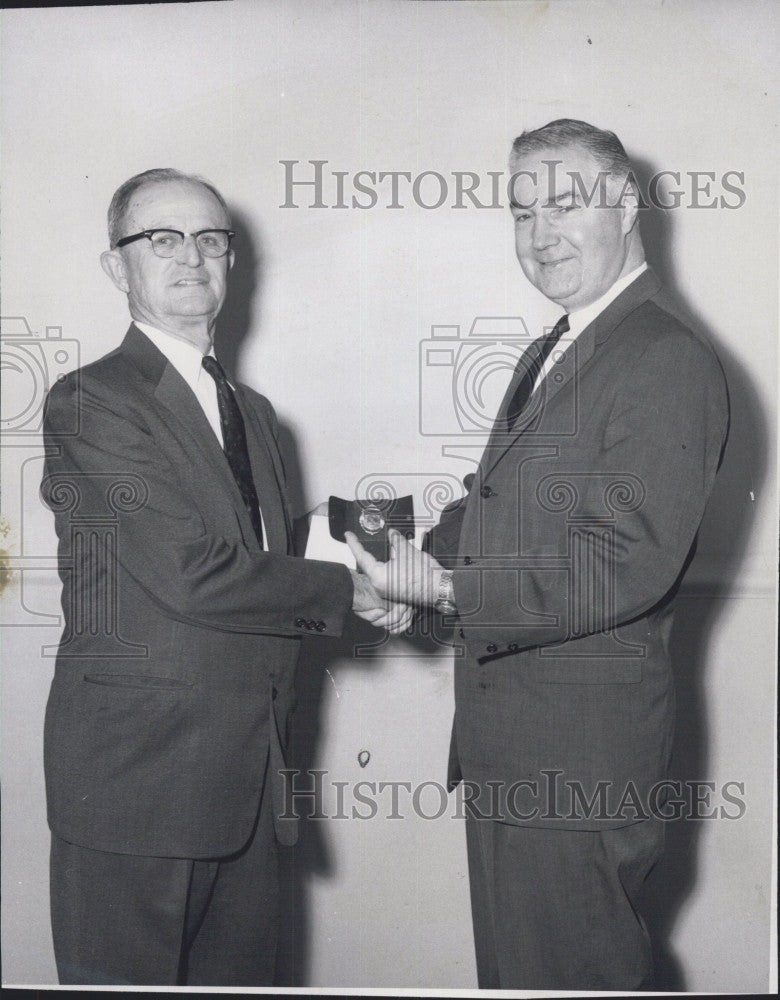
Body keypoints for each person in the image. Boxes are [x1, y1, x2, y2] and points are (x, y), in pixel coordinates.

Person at [348, 119, 729, 990]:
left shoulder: (662, 355)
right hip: (522, 757)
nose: (541, 232)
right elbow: (502, 512)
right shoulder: (564, 342)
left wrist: (441, 586)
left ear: (627, 204)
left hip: (572, 772)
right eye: (522, 212)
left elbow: (618, 560)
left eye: (565, 203)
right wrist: (392, 565)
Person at [40, 167, 410, 986]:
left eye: (211, 239)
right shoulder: (91, 400)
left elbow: (275, 563)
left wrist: (377, 560)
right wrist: (345, 593)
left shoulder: (257, 415)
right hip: (139, 791)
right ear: (117, 267)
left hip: (253, 788)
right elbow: (190, 573)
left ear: (232, 263)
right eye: (161, 239)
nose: (191, 257)